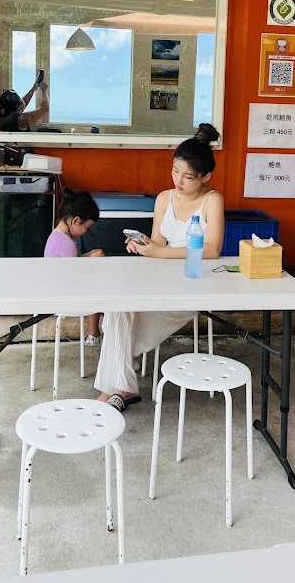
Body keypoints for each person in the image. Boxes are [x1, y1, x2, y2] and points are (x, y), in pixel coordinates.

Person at [94, 123, 225, 411]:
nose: (179, 180)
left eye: (188, 176)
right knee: (118, 308)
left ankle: (117, 390)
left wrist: (159, 252)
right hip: (159, 279)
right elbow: (156, 243)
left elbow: (212, 250)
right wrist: (143, 245)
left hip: (193, 285)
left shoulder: (212, 200)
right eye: (175, 171)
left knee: (118, 323)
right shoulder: (164, 198)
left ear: (205, 177)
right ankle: (121, 388)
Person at [44, 188, 104, 344]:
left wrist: (88, 256)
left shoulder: (56, 236)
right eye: (87, 227)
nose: (86, 231)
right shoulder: (66, 243)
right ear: (76, 221)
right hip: (65, 297)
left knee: (95, 258)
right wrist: (93, 261)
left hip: (56, 290)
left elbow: (70, 265)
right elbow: (74, 277)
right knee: (98, 287)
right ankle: (94, 333)